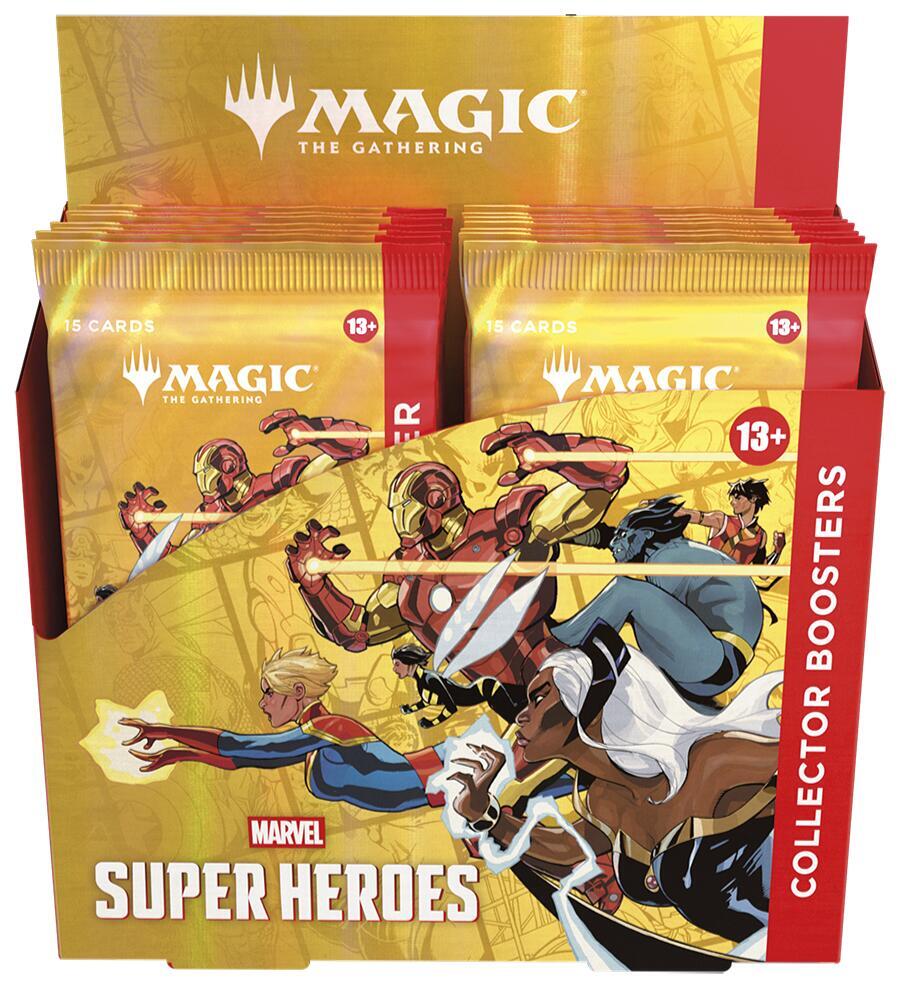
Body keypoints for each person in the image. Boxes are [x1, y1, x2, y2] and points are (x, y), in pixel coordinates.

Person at [448, 621, 781, 945]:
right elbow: (566, 849)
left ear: (591, 711)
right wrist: (485, 815)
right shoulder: (605, 800)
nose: (522, 715)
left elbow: (809, 772)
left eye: (540, 698)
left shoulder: (713, 762)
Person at [119, 646, 444, 813]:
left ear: (298, 691)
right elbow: (242, 760)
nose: (263, 703)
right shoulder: (316, 743)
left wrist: (167, 732)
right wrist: (180, 754)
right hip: (442, 788)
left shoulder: (330, 729)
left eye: (269, 693)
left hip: (448, 769)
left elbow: (242, 747)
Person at [556, 496, 763, 702]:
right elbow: (607, 538)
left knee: (627, 591)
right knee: (629, 604)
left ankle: (558, 643)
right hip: (712, 663)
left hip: (715, 662)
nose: (614, 544)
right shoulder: (672, 550)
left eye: (622, 535)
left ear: (647, 534)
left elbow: (658, 617)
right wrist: (555, 533)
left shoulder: (666, 558)